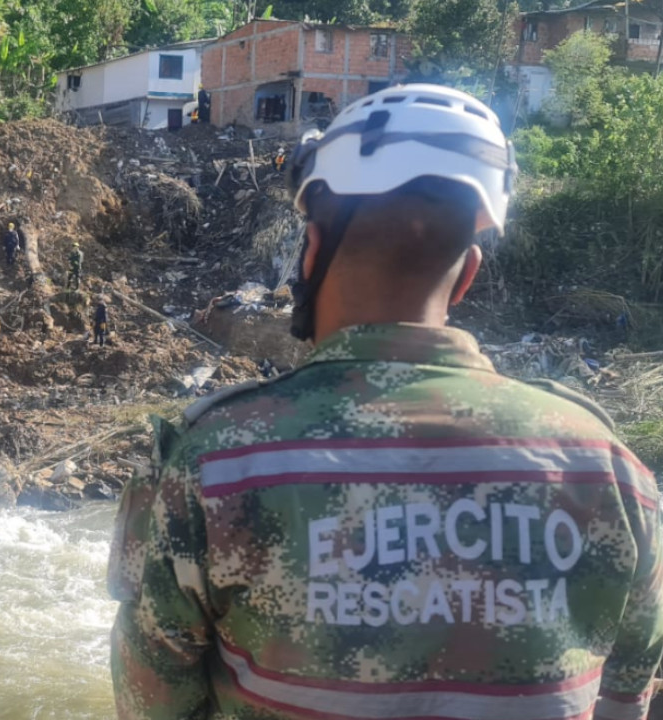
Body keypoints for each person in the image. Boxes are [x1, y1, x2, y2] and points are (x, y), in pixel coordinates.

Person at [108, 84, 663, 720]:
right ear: (468, 273)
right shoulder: (612, 473)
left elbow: (154, 706)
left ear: (311, 251)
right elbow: (627, 701)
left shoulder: (213, 466)